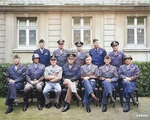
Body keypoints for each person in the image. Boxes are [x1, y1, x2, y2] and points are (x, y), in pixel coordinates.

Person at [109, 41, 125, 107]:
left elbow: (124, 63)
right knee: (113, 86)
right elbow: (108, 63)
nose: (115, 47)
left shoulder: (121, 54)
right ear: (112, 47)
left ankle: (122, 101)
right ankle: (112, 100)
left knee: (121, 86)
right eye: (113, 46)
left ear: (118, 46)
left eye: (116, 46)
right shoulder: (109, 54)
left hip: (120, 72)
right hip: (113, 73)